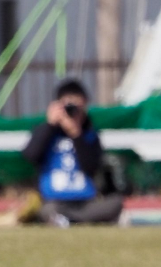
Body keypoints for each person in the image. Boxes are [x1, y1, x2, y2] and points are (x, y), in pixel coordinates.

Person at [19, 78, 124, 226]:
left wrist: (76, 135)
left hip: (84, 203)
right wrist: (50, 125)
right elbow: (30, 155)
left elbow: (91, 166)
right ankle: (63, 219)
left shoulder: (90, 135)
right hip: (54, 201)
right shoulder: (46, 132)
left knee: (115, 204)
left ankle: (67, 220)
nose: (72, 113)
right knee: (47, 209)